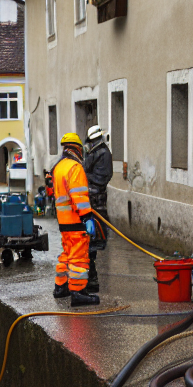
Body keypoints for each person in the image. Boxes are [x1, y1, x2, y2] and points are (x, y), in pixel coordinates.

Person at [52, 132, 99, 306]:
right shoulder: (75, 167)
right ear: (78, 148)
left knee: (66, 255)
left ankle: (61, 287)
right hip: (76, 220)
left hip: (64, 222)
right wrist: (87, 217)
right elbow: (78, 195)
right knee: (79, 258)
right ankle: (78, 292)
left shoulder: (59, 167)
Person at [82, 124, 112, 293]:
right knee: (89, 242)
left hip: (96, 204)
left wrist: (83, 174)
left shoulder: (103, 154)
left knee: (92, 241)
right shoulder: (96, 153)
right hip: (92, 203)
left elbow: (101, 179)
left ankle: (91, 279)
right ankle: (90, 278)